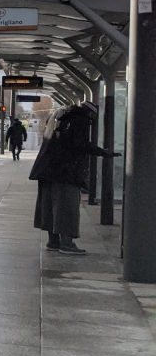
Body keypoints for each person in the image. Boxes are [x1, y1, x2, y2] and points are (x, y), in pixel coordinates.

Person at [29, 102, 117, 254]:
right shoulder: (79, 119)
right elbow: (79, 144)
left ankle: (53, 241)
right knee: (66, 206)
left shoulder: (58, 115)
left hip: (46, 169)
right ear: (91, 114)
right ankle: (67, 244)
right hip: (65, 171)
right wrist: (103, 152)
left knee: (49, 206)